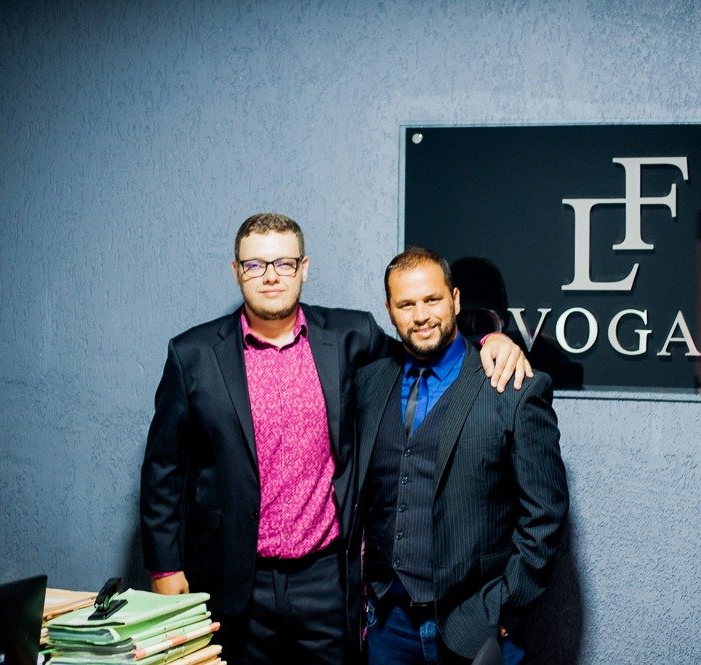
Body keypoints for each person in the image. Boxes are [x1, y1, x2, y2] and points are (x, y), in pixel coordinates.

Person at [139, 214, 531, 665]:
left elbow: (426, 344)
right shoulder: (192, 355)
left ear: (304, 268)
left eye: (284, 263)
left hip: (325, 579)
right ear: (236, 271)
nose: (270, 276)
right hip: (232, 573)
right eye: (255, 265)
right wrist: (165, 566)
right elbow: (163, 469)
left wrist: (491, 341)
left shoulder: (350, 336)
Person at [349, 247, 569, 664]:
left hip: (475, 627)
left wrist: (504, 612)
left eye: (432, 299)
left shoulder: (512, 386)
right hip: (387, 624)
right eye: (406, 304)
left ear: (455, 299)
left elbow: (545, 515)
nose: (421, 315)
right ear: (389, 310)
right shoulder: (368, 383)